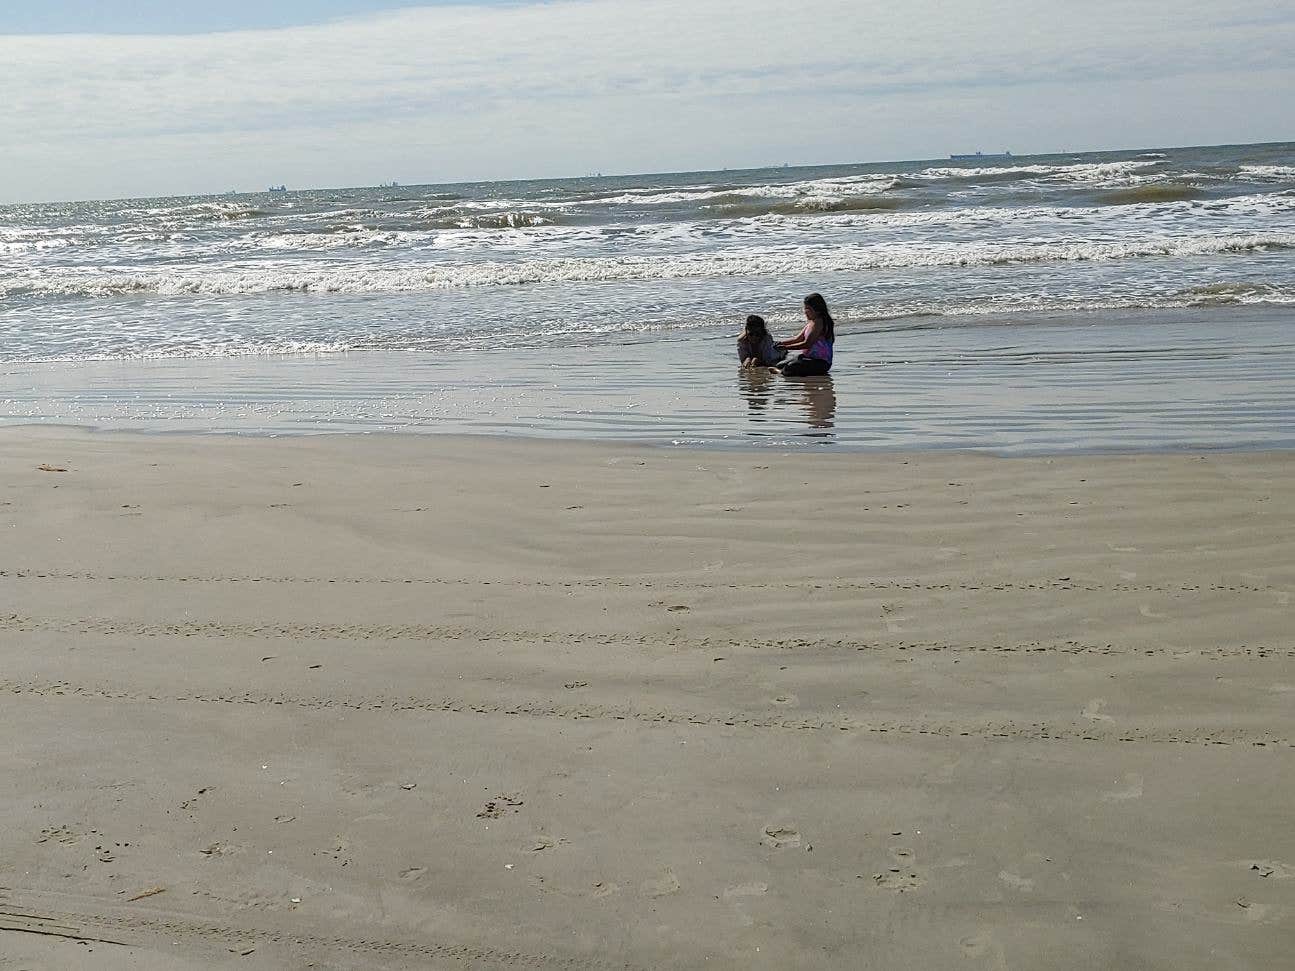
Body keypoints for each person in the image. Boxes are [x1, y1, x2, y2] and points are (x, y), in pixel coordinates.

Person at [773, 293, 835, 376]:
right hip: (807, 358)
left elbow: (807, 344)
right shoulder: (811, 322)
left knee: (790, 367)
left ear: (817, 310)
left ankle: (779, 372)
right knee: (780, 365)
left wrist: (785, 347)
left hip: (820, 362)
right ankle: (781, 370)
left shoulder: (819, 322)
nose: (805, 312)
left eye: (808, 309)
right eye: (805, 308)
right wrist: (781, 343)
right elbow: (797, 339)